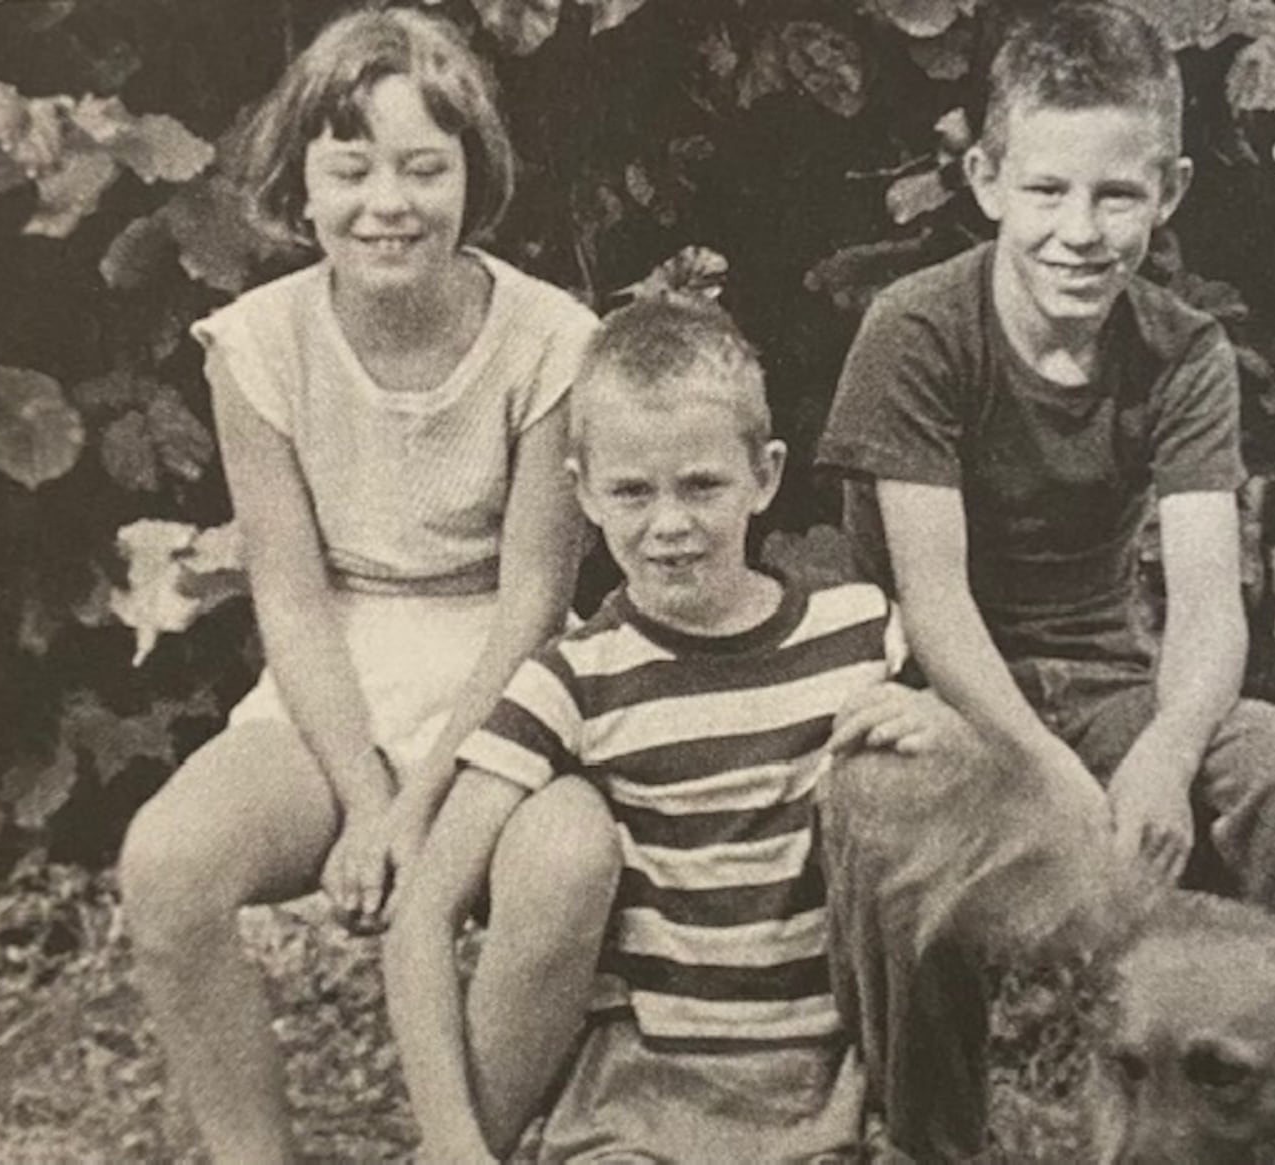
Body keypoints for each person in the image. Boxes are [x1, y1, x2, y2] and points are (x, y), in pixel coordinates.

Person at [813, 3, 1275, 1159]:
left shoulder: (1182, 351)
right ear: (984, 180)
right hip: (953, 693)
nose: (1079, 231)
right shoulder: (916, 329)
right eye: (1046, 191)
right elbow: (936, 603)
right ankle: (930, 1138)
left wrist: (1168, 753)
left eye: (1116, 195)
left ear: (1168, 191)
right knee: (870, 811)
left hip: (1111, 684)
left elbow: (1207, 606)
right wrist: (1056, 780)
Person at [116, 10, 600, 1161]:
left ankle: (456, 1146)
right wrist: (366, 798)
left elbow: (536, 599)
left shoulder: (551, 340)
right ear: (302, 186)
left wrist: (421, 800)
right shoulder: (258, 343)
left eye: (426, 167)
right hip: (333, 671)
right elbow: (288, 598)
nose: (390, 202)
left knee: (571, 858)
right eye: (352, 169)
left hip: (505, 677)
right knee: (166, 862)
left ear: (472, 177)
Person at [384, 296, 922, 1163]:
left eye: (702, 484)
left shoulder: (862, 634)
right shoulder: (573, 680)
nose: (669, 525)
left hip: (816, 1100)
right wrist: (452, 1143)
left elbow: (966, 801)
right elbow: (424, 915)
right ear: (583, 494)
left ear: (767, 474)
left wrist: (935, 720)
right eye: (631, 491)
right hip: (636, 1104)